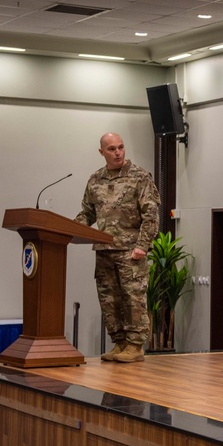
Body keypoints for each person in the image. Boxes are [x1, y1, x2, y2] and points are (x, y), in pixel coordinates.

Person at [76, 133, 160, 363]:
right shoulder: (96, 180)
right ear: (101, 152)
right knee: (109, 299)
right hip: (104, 250)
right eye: (112, 149)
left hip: (130, 250)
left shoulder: (139, 177)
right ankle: (120, 341)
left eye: (121, 147)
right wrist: (69, 229)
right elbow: (87, 212)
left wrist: (143, 246)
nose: (118, 152)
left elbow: (151, 214)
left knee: (133, 299)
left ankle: (135, 345)